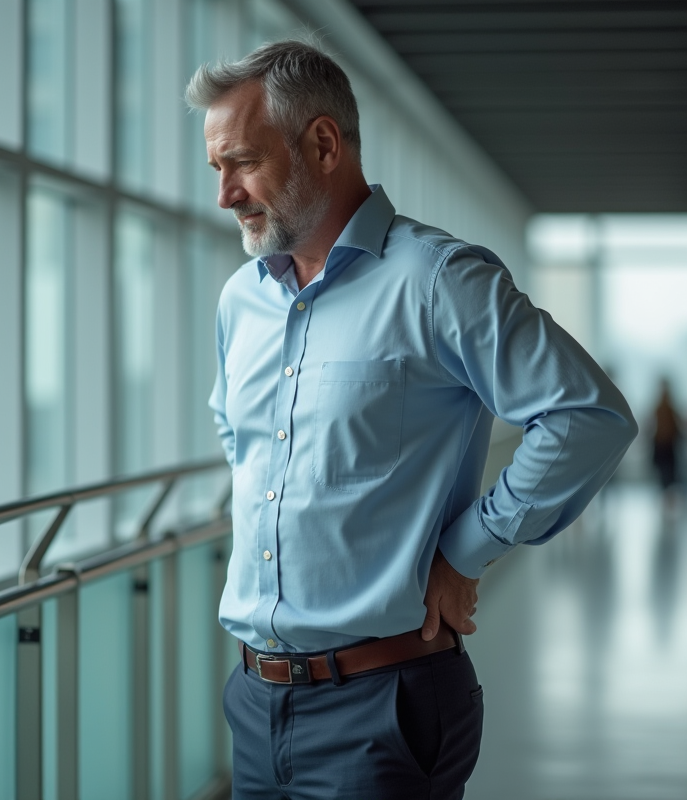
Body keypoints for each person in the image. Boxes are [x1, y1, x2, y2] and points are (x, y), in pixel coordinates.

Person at [186, 40, 637, 799]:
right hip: (254, 702)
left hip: (384, 705)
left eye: (242, 163)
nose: (225, 194)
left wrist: (467, 549)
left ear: (323, 143)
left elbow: (585, 413)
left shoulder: (438, 280)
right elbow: (241, 440)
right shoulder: (242, 301)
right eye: (217, 170)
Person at [651, 378, 681, 502]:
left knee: (668, 473)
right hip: (662, 445)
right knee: (664, 473)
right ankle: (665, 497)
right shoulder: (660, 407)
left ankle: (667, 497)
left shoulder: (669, 408)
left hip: (668, 444)